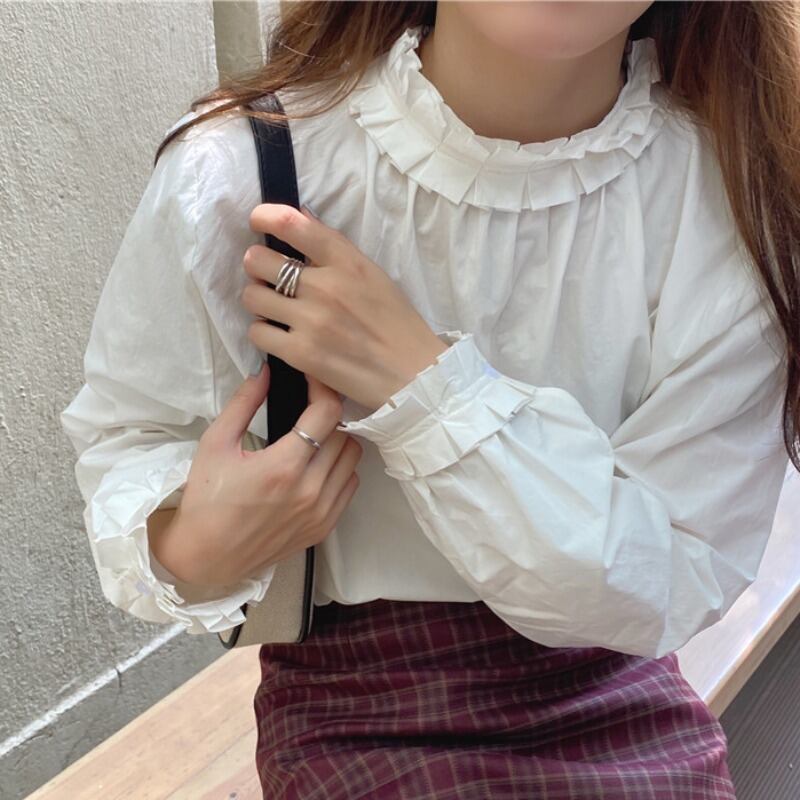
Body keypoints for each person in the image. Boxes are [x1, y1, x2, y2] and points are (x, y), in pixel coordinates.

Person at [60, 2, 800, 797]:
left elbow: (677, 566)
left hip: (619, 689)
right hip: (359, 703)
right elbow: (132, 440)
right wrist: (193, 547)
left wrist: (424, 385)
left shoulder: (733, 184)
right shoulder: (244, 167)